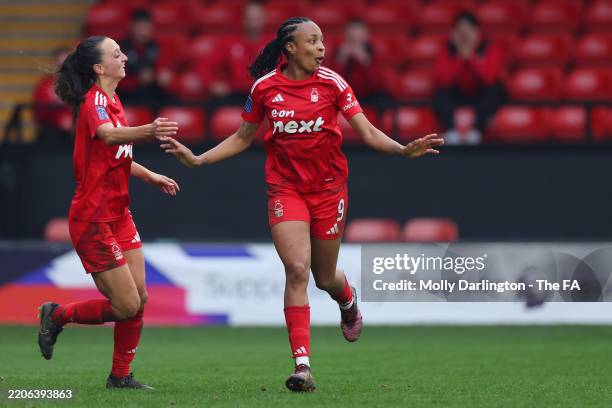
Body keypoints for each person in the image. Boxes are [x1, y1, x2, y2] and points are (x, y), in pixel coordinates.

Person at [160, 17, 443, 392]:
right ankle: (302, 366)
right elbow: (243, 137)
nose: (321, 47)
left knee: (325, 278)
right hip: (285, 190)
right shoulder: (264, 89)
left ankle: (348, 301)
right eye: (312, 41)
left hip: (328, 190)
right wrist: (198, 160)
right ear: (290, 48)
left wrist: (402, 150)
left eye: (322, 40)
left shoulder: (333, 83)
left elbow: (368, 132)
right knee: (297, 269)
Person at [37, 36, 180, 389]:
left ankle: (120, 376)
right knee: (126, 305)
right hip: (93, 218)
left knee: (139, 298)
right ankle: (57, 315)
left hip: (119, 214)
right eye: (117, 53)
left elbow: (116, 153)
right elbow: (108, 136)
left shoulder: (114, 99)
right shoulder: (94, 102)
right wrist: (149, 130)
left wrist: (150, 176)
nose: (125, 56)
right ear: (99, 67)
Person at [433, 11, 505, 144]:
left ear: (477, 32)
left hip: (480, 95)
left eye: (468, 32)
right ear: (453, 34)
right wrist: (460, 59)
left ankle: (477, 131)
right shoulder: (446, 51)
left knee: (493, 91)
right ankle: (451, 131)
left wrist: (471, 58)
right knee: (440, 93)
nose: (464, 37)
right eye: (460, 32)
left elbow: (489, 79)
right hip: (457, 96)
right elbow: (444, 80)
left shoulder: (489, 49)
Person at [118, 9, 171, 104]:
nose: (143, 32)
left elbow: (164, 70)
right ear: (131, 27)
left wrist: (163, 77)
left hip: (154, 95)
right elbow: (115, 81)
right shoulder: (120, 48)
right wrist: (138, 80)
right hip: (128, 97)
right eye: (139, 28)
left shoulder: (157, 46)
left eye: (146, 28)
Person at [332, 19, 386, 104]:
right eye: (351, 37)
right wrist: (341, 60)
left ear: (366, 36)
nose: (355, 40)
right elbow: (332, 84)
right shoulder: (337, 53)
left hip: (369, 99)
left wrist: (365, 61)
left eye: (358, 36)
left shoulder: (374, 54)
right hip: (344, 98)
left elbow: (378, 85)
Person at [33, 47, 72, 147]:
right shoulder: (45, 84)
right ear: (55, 64)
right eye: (60, 65)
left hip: (76, 135)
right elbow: (38, 113)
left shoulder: (82, 85)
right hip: (51, 135)